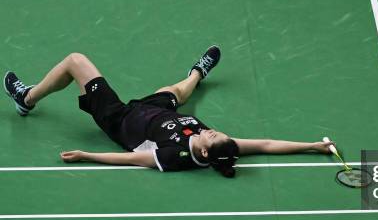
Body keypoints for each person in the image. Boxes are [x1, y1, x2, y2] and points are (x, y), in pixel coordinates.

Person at [4, 46, 333, 177]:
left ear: (203, 150)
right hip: (157, 110)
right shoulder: (222, 147)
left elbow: (133, 159)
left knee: (76, 61)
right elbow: (265, 145)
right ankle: (197, 73)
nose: (213, 130)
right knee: (175, 92)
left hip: (120, 118)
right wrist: (312, 146)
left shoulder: (175, 155)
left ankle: (27, 98)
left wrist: (87, 155)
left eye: (212, 135)